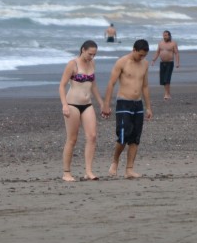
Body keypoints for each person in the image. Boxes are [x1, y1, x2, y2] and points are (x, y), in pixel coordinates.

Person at [102, 39, 153, 179]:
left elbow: (145, 86)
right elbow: (111, 83)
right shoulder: (122, 62)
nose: (142, 58)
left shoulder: (145, 64)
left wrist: (148, 107)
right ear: (134, 50)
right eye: (140, 55)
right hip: (123, 102)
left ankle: (129, 169)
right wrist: (106, 104)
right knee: (123, 136)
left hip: (138, 104)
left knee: (135, 138)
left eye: (144, 55)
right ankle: (115, 161)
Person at [58, 40, 105, 182]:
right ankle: (66, 172)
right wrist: (64, 105)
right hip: (72, 104)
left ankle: (89, 171)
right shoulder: (73, 64)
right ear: (83, 50)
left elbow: (93, 85)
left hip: (87, 104)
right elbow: (61, 86)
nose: (91, 57)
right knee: (72, 139)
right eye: (90, 54)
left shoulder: (92, 64)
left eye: (94, 55)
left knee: (92, 136)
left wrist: (102, 103)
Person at [151, 30, 180, 99]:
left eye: (166, 35)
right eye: (163, 35)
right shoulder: (160, 43)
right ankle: (168, 94)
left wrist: (177, 62)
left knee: (167, 79)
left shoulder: (173, 43)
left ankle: (166, 94)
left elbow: (176, 53)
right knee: (163, 80)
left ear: (169, 36)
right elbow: (157, 52)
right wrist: (153, 60)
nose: (164, 37)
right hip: (162, 63)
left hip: (170, 63)